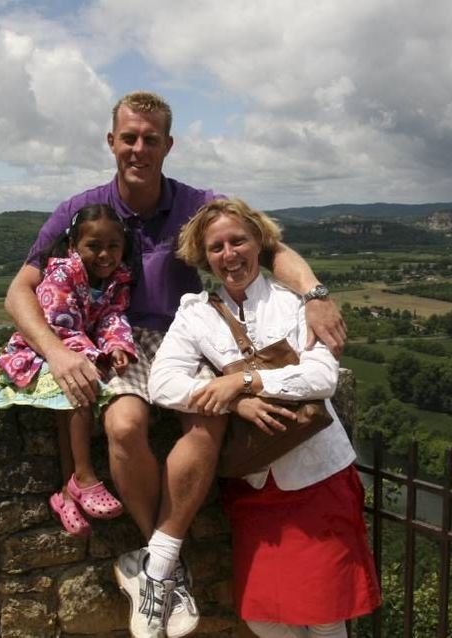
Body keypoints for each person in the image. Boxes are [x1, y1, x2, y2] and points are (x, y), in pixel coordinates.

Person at [4, 91, 347, 638]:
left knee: (208, 419)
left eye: (151, 139)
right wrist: (58, 350)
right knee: (122, 425)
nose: (139, 148)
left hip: (183, 337)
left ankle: (158, 565)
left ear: (169, 144)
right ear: (111, 141)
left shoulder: (194, 202)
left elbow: (268, 246)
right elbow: (20, 289)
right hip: (112, 342)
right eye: (129, 137)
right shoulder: (80, 210)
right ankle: (163, 559)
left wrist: (314, 292)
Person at [148, 198, 381, 638]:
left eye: (238, 241)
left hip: (317, 475)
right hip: (256, 484)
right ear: (203, 256)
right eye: (216, 247)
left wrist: (243, 383)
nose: (229, 254)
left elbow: (322, 376)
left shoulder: (293, 303)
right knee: (262, 614)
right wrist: (231, 402)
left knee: (327, 613)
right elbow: (161, 384)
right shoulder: (195, 312)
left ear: (259, 241)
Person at [0, 204, 133, 536]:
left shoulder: (118, 279)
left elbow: (112, 317)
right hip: (44, 352)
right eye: (94, 246)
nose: (105, 255)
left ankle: (67, 493)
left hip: (75, 351)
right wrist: (92, 356)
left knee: (68, 408)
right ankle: (84, 476)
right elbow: (60, 326)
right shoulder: (61, 274)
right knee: (82, 387)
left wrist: (117, 345)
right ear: (73, 246)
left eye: (113, 246)